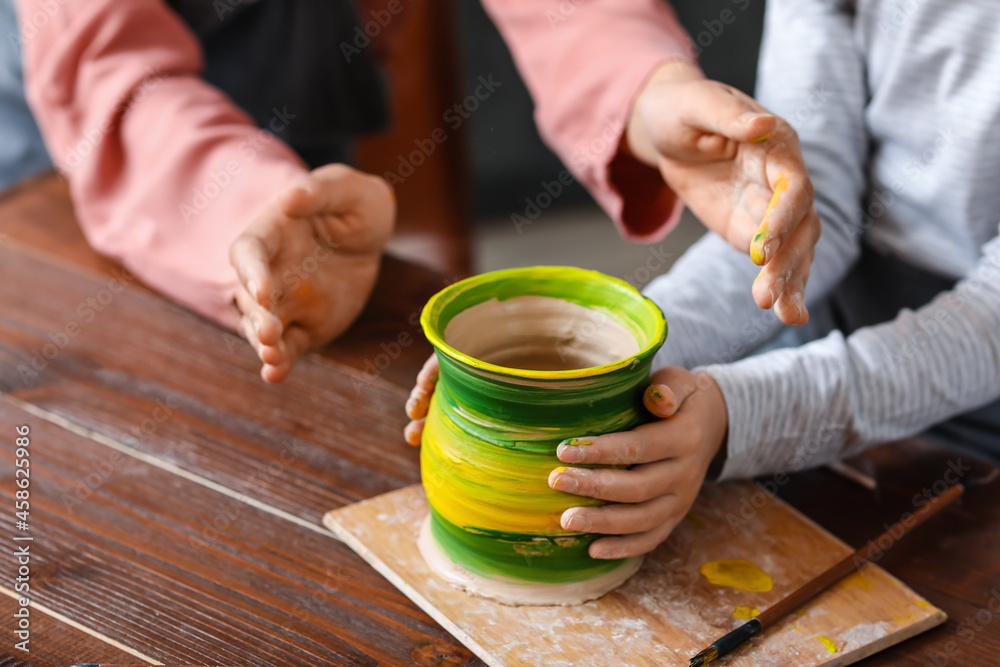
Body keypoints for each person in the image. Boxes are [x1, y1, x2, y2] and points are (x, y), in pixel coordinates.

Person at [407, 0, 1000, 560]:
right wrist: (624, 350)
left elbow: (988, 324)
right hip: (822, 319)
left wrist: (740, 417)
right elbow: (818, 216)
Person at [4, 0, 817, 382]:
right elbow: (110, 74)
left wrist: (642, 89)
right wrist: (238, 206)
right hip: (78, 140)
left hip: (310, 78)